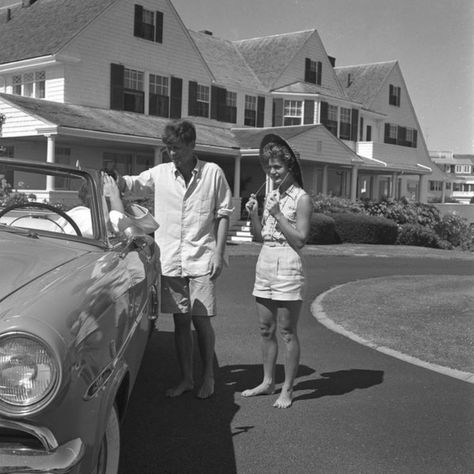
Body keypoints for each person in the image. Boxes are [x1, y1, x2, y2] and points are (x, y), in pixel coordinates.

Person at [117, 119, 233, 399]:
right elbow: (133, 184)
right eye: (168, 148)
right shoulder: (161, 174)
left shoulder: (212, 173)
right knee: (181, 323)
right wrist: (114, 180)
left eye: (177, 148)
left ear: (192, 145)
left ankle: (208, 377)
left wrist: (218, 252)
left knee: (201, 320)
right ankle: (187, 379)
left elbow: (223, 213)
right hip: (170, 260)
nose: (172, 153)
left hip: (201, 258)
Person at [242, 134, 313, 408]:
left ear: (290, 167)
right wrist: (255, 214)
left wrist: (279, 214)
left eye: (278, 167)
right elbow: (260, 237)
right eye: (270, 167)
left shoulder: (301, 199)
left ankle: (288, 389)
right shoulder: (273, 195)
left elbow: (299, 240)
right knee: (264, 328)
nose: (272, 172)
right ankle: (268, 381)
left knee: (286, 331)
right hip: (266, 260)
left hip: (288, 263)